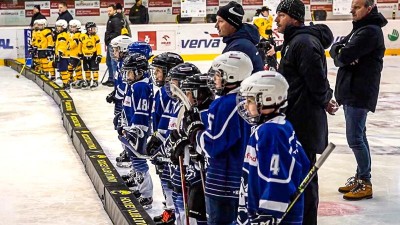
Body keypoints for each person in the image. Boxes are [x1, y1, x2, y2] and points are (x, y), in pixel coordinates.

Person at [274, 0, 336, 224]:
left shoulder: (304, 43)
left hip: (304, 122)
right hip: (297, 119)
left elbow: (316, 80)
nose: (276, 20)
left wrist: (326, 98)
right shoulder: (295, 41)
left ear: (294, 17)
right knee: (299, 174)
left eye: (281, 15)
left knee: (306, 178)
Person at [181, 51, 253, 225]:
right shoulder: (247, 100)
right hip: (241, 180)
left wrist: (194, 132)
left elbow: (213, 145)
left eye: (218, 74)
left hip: (223, 183)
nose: (214, 79)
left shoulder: (226, 104)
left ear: (231, 75)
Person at [329, 0, 387, 201]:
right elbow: (336, 50)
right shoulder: (360, 29)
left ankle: (365, 181)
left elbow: (343, 56)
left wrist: (343, 53)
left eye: (357, 7)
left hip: (359, 92)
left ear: (369, 8)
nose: (352, 10)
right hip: (352, 90)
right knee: (359, 135)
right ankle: (361, 177)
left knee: (355, 137)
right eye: (352, 6)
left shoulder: (369, 31)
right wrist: (341, 51)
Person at [236, 71, 310, 225]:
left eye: (250, 100)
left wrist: (270, 212)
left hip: (272, 218)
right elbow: (304, 164)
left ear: (267, 99)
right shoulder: (281, 126)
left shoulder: (271, 132)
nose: (245, 105)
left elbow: (277, 176)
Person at [118, 52, 154, 209]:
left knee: (139, 161)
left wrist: (135, 130)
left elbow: (141, 112)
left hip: (137, 131)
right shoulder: (135, 85)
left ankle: (146, 195)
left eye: (129, 71)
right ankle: (140, 188)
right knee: (134, 159)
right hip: (131, 128)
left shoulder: (140, 87)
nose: (126, 75)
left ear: (139, 72)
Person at [215, 1, 264, 73]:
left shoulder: (239, 47)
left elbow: (224, 78)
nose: (216, 25)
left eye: (220, 21)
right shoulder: (238, 42)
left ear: (232, 24)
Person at [104, 4, 124, 87]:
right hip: (110, 43)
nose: (108, 12)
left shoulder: (116, 19)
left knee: (113, 62)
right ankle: (111, 78)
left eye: (110, 11)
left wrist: (109, 39)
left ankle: (116, 79)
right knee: (109, 62)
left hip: (113, 44)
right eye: (107, 11)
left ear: (115, 10)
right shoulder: (111, 19)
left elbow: (117, 32)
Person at [81, 22, 102, 90]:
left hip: (94, 56)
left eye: (94, 28)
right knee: (86, 69)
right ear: (88, 29)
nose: (94, 30)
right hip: (85, 56)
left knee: (94, 69)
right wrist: (80, 53)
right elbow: (81, 46)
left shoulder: (96, 37)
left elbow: (98, 47)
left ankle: (95, 81)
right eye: (93, 29)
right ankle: (88, 81)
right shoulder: (82, 36)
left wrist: (99, 55)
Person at [68, 19, 85, 89]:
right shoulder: (75, 34)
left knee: (77, 68)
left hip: (75, 55)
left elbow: (74, 44)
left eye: (73, 27)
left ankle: (80, 79)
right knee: (72, 67)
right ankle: (73, 78)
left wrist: (68, 46)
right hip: (73, 54)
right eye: (71, 26)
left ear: (77, 27)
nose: (71, 28)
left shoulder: (77, 35)